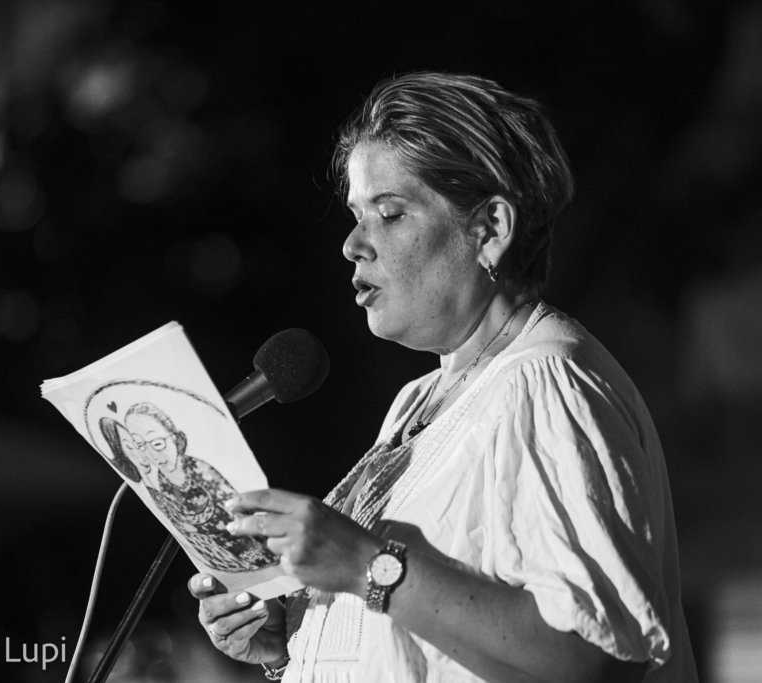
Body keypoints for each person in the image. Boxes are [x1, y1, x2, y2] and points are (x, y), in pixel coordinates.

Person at [187, 72, 698, 682]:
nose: (353, 244)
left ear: (491, 229)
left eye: (390, 213)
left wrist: (364, 564)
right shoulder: (419, 402)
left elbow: (594, 656)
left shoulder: (546, 384)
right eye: (356, 215)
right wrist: (289, 643)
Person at [123, 401, 279, 573]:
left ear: (176, 439)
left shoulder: (200, 470)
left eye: (157, 444)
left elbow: (239, 511)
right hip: (220, 560)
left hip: (254, 547)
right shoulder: (162, 481)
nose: (151, 454)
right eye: (140, 445)